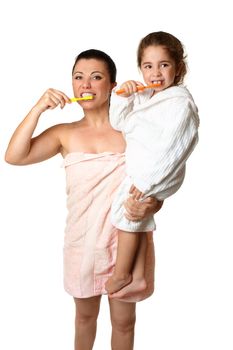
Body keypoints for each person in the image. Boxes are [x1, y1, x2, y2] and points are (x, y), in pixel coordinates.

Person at [5, 49, 162, 350]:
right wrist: (38, 107)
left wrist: (154, 204)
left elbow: (157, 180)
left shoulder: (133, 130)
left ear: (112, 86)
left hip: (127, 243)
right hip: (84, 242)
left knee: (124, 323)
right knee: (84, 319)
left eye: (96, 77)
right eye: (78, 78)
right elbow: (14, 156)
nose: (85, 85)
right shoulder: (65, 133)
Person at [105, 31, 200, 298]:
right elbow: (119, 123)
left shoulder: (180, 104)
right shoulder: (149, 97)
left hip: (155, 173)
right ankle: (137, 278)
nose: (155, 73)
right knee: (137, 217)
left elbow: (176, 147)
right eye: (148, 66)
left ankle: (122, 272)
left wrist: (146, 183)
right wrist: (123, 97)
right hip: (143, 171)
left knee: (127, 213)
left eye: (164, 65)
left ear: (178, 67)